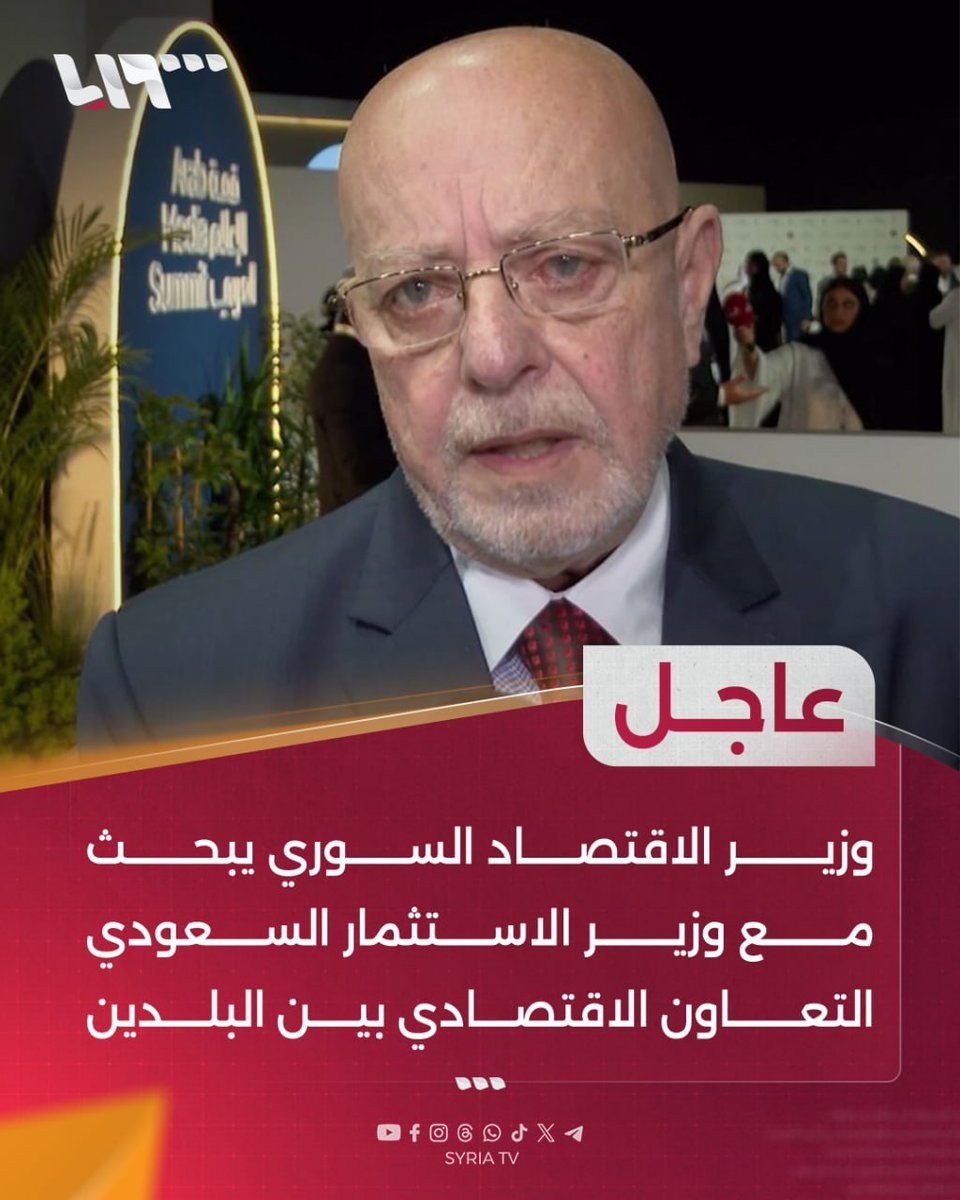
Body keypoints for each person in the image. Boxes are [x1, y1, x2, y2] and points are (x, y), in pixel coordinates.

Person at [77, 27, 958, 766]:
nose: (494, 358)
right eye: (415, 291)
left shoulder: (930, 619)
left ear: (689, 287)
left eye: (565, 265)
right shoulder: (174, 693)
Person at [721, 292, 863, 431]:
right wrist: (749, 345)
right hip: (802, 445)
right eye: (831, 303)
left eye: (848, 304)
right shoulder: (800, 354)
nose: (838, 312)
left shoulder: (871, 361)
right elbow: (765, 374)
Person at [744, 250, 783, 351]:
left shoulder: (766, 292)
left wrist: (756, 318)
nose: (746, 268)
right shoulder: (750, 289)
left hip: (764, 343)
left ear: (757, 267)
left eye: (749, 264)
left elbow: (773, 321)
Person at [771, 251, 812, 342]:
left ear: (785, 262)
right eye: (775, 266)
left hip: (798, 319)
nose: (776, 268)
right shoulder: (781, 277)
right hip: (785, 318)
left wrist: (806, 318)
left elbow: (807, 296)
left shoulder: (799, 275)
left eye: (778, 265)